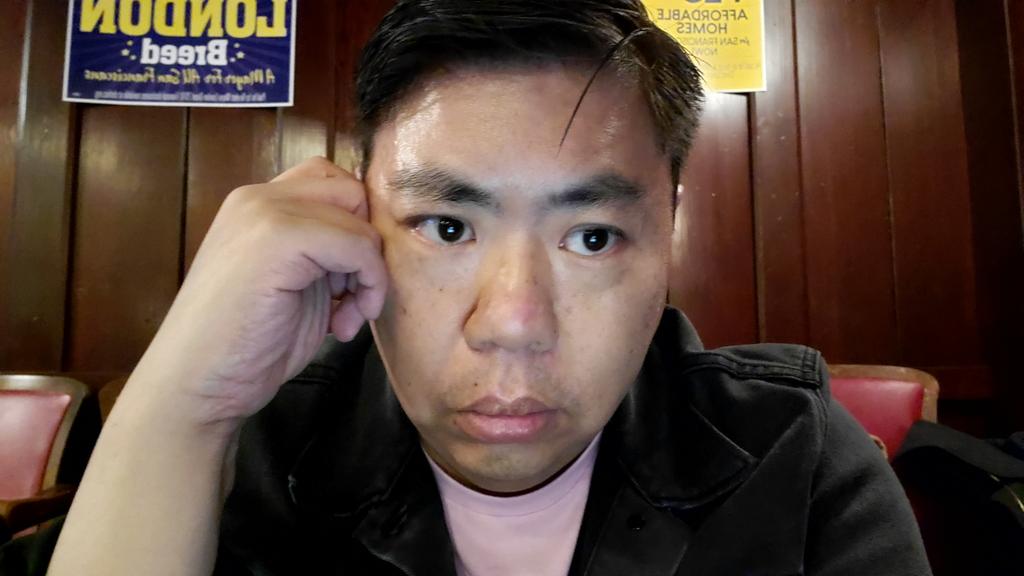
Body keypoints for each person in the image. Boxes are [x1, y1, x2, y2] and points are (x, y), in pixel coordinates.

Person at [0, 1, 932, 574]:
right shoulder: (247, 453)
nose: (513, 324)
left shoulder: (794, 460)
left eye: (591, 236)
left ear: (667, 236)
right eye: (447, 227)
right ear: (358, 216)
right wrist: (178, 409)